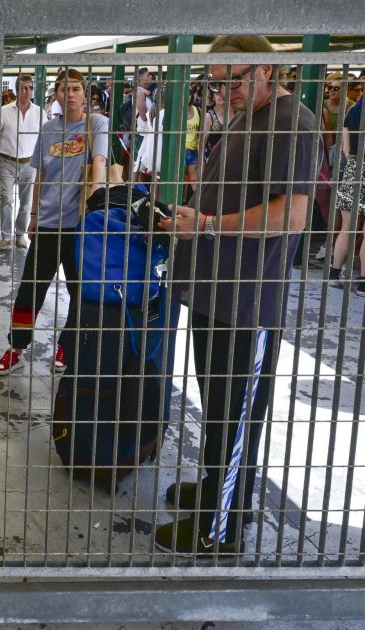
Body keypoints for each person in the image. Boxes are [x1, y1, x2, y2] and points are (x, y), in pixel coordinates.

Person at [155, 35, 320, 555]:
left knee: (235, 414)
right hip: (216, 292)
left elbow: (291, 216)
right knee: (219, 407)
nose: (225, 91)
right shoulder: (246, 117)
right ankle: (220, 492)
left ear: (268, 71)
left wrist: (204, 223)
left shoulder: (292, 122)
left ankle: (218, 532)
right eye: (218, 81)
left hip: (248, 303)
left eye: (235, 80)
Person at [0, 68, 108, 376]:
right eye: (63, 89)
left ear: (85, 94)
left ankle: (67, 345)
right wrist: (31, 215)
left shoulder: (96, 124)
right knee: (30, 289)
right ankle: (16, 348)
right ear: (55, 94)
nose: (69, 94)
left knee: (82, 291)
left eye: (75, 89)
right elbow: (40, 175)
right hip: (47, 223)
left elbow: (99, 162)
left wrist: (95, 201)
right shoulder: (47, 129)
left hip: (82, 227)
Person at [0, 74, 45, 251]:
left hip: (30, 163)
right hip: (7, 161)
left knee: (26, 202)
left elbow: (44, 137)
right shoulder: (4, 111)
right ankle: (6, 236)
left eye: (30, 88)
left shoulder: (39, 112)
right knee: (6, 198)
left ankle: (20, 234)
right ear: (17, 90)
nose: (27, 91)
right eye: (24, 88)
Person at [328, 95, 365, 294]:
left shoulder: (352, 111)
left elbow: (345, 149)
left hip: (352, 168)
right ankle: (362, 284)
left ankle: (334, 274)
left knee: (346, 228)